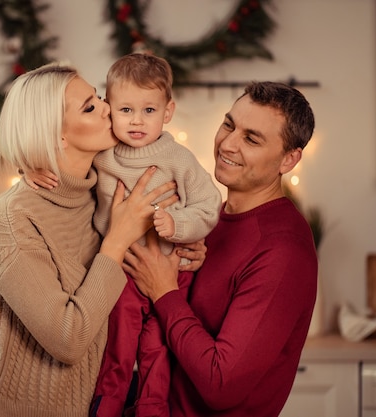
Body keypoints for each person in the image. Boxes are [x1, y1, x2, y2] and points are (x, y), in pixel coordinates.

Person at [0, 61, 193, 417]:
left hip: (78, 402)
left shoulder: (104, 188)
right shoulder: (9, 221)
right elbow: (68, 339)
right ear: (56, 134)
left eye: (98, 96)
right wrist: (117, 241)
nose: (109, 107)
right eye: (90, 107)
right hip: (8, 406)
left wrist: (187, 242)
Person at [27, 53, 221, 417]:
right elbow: (55, 149)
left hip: (170, 269)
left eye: (149, 111)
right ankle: (109, 403)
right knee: (119, 339)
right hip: (121, 271)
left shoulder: (178, 159)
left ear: (168, 112)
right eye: (126, 110)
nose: (136, 121)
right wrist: (29, 167)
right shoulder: (104, 154)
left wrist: (179, 226)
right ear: (110, 109)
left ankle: (151, 407)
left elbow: (208, 205)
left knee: (158, 345)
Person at [123, 81, 318, 417]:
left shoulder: (284, 250)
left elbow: (220, 384)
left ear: (289, 159)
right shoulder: (206, 218)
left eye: (251, 138)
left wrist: (163, 291)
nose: (227, 144)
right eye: (229, 124)